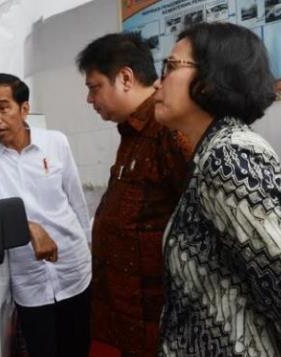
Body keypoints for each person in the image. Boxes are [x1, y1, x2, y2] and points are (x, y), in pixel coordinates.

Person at [153, 22, 281, 356]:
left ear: (212, 79)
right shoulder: (211, 152)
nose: (159, 81)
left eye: (170, 67)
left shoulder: (230, 155)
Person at [76, 33, 189, 356]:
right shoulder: (133, 131)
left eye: (94, 86)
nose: (89, 99)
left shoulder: (169, 128)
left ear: (125, 78)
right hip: (127, 320)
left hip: (158, 324)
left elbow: (200, 225)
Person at [0, 73, 91, 357]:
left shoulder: (55, 142)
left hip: (73, 267)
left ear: (24, 109)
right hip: (29, 278)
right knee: (41, 350)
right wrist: (29, 228)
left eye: (3, 107)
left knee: (77, 347)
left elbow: (76, 198)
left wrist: (88, 245)